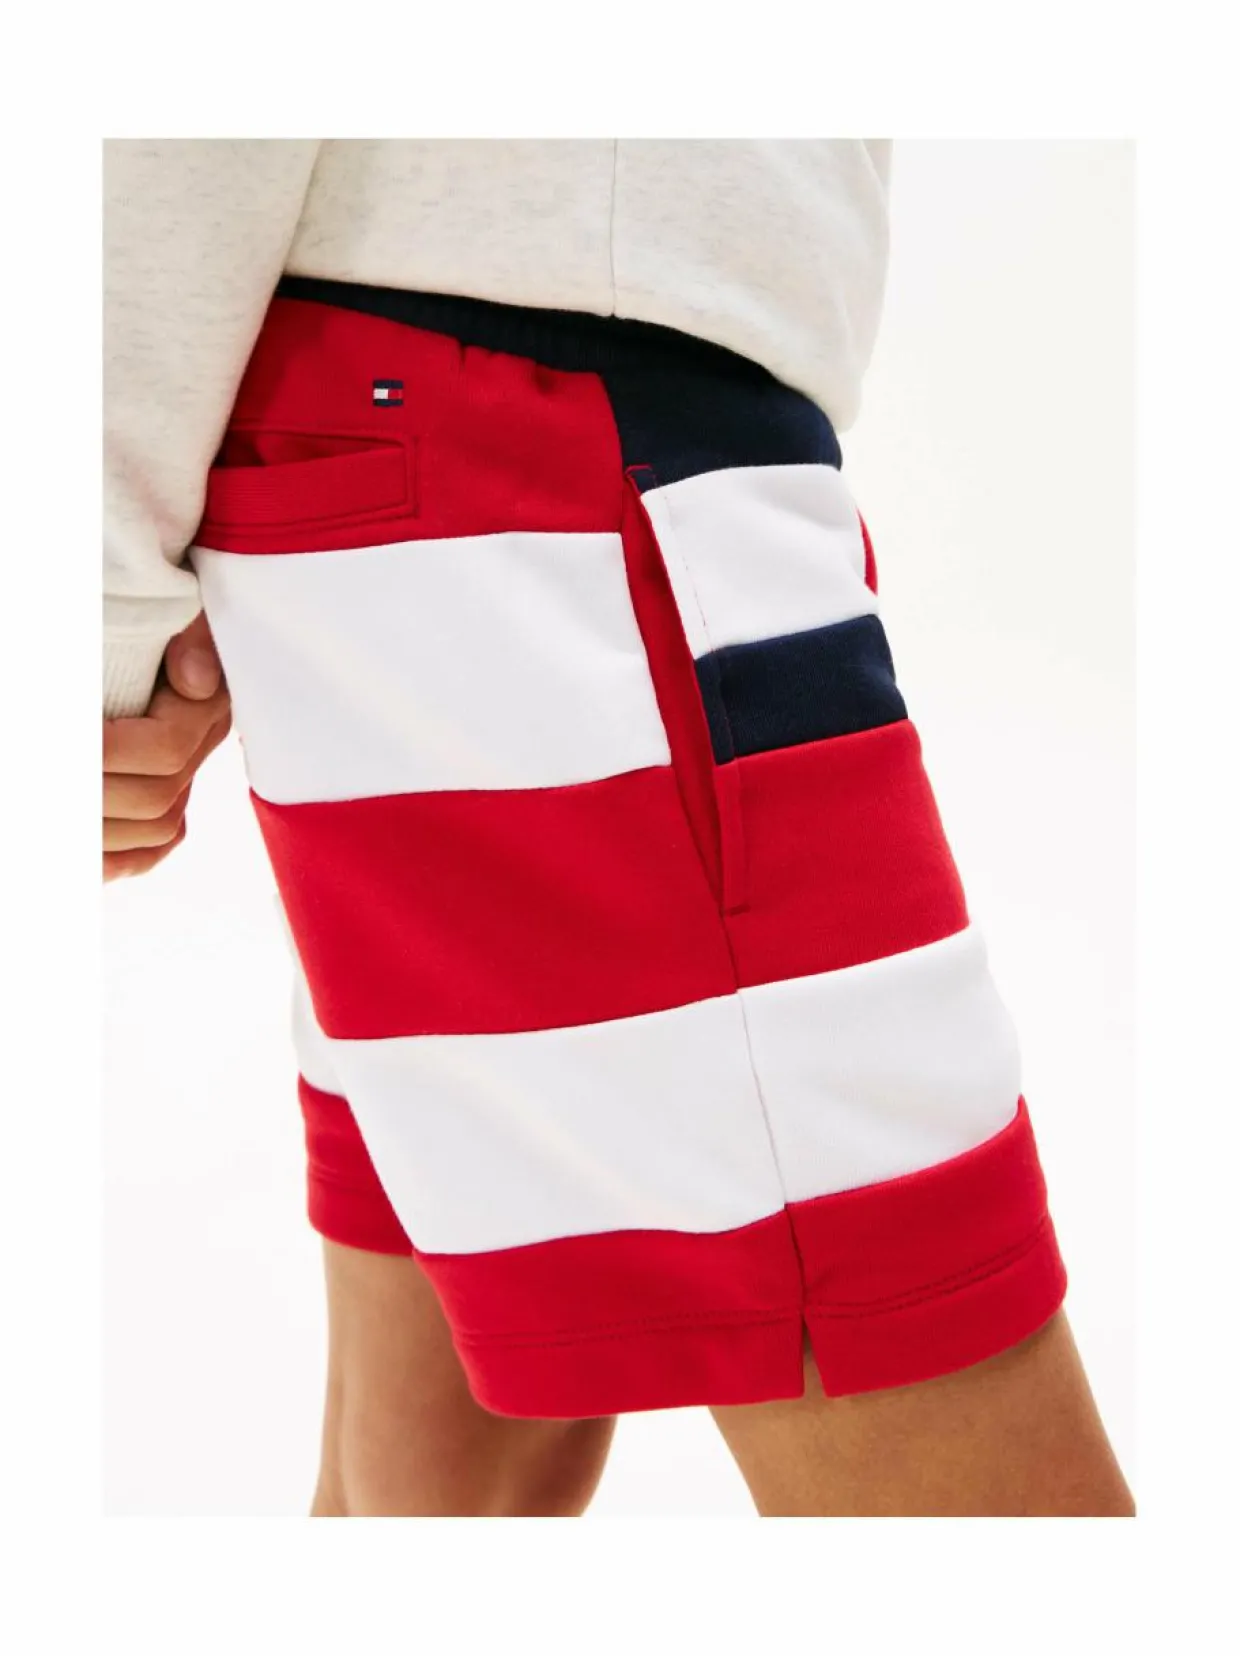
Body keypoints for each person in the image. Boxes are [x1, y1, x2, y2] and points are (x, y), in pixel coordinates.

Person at [103, 139, 1134, 1517]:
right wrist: (90, 617)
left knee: (441, 1498)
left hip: (508, 447)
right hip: (549, 461)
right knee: (904, 1316)